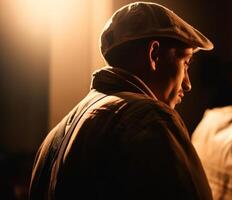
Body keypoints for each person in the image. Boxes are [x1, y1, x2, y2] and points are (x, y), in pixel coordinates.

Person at [29, 1, 214, 200]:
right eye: (185, 64)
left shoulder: (55, 135)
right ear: (154, 54)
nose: (187, 84)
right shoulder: (151, 118)